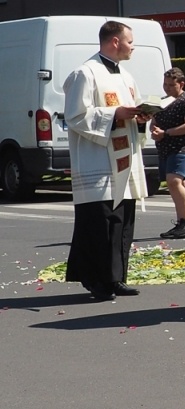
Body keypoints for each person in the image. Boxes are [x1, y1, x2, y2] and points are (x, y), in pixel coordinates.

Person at [64, 20, 151, 301]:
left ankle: (116, 278)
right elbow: (76, 116)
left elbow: (131, 112)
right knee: (100, 224)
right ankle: (96, 280)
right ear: (115, 41)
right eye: (130, 41)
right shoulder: (85, 73)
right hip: (98, 162)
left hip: (124, 162)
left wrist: (141, 118)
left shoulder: (126, 76)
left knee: (122, 222)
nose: (133, 47)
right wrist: (115, 114)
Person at [149, 66, 185, 239]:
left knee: (174, 181)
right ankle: (181, 223)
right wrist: (154, 130)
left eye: (171, 85)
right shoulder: (162, 101)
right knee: (179, 184)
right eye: (165, 84)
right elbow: (154, 120)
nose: (167, 88)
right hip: (166, 147)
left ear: (181, 84)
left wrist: (166, 133)